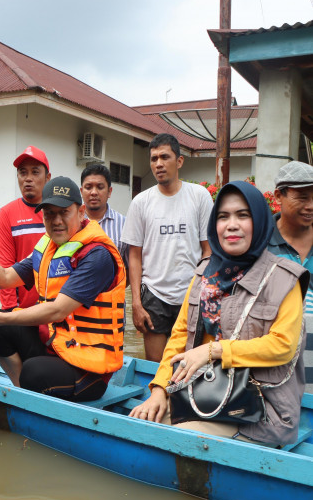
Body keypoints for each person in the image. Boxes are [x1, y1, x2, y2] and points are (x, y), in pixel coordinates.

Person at [130, 181, 307, 447]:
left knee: (170, 438)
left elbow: (283, 346)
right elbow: (179, 337)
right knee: (138, 423)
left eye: (242, 215)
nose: (231, 225)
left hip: (258, 411)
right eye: (223, 216)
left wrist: (214, 351)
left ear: (259, 221)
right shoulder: (204, 273)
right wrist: (158, 391)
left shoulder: (284, 279)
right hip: (201, 391)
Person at [0, 176, 126, 402]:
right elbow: (6, 277)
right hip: (57, 347)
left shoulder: (97, 255)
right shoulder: (48, 246)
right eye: (49, 214)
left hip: (91, 369)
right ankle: (25, 396)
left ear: (81, 212)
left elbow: (58, 310)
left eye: (63, 212)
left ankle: (30, 395)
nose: (56, 220)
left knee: (33, 370)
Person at [121, 133, 213, 362]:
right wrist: (136, 304)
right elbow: (134, 256)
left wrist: (202, 292)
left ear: (179, 161)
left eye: (164, 157)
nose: (158, 164)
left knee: (190, 366)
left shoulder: (199, 196)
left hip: (191, 294)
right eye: (153, 159)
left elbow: (208, 250)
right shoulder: (141, 202)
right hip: (154, 294)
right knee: (155, 366)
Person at [267, 161, 313, 391]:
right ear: (278, 196)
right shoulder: (259, 246)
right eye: (303, 197)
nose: (311, 206)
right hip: (273, 374)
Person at [0, 146, 51, 310]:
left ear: (47, 178)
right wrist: (11, 311)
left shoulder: (59, 213)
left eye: (35, 172)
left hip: (56, 311)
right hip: (23, 312)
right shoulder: (7, 214)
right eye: (23, 172)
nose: (28, 178)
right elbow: (5, 267)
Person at [80, 163, 128, 267]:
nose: (94, 192)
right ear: (81, 191)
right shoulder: (72, 221)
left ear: (109, 192)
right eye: (88, 187)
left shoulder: (124, 224)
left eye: (100, 187)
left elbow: (128, 266)